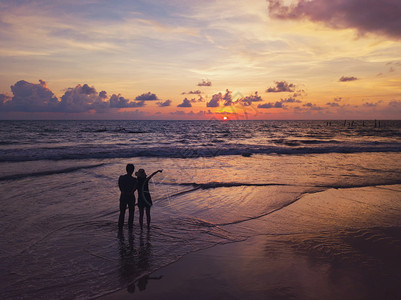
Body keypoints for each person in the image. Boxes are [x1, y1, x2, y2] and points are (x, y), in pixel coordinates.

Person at [118, 164, 137, 230]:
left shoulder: (121, 177)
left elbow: (120, 186)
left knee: (122, 213)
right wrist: (130, 192)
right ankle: (130, 228)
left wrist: (123, 191)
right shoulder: (134, 180)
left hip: (123, 195)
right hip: (131, 196)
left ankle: (120, 228)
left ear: (126, 169)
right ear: (133, 170)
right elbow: (135, 189)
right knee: (131, 213)